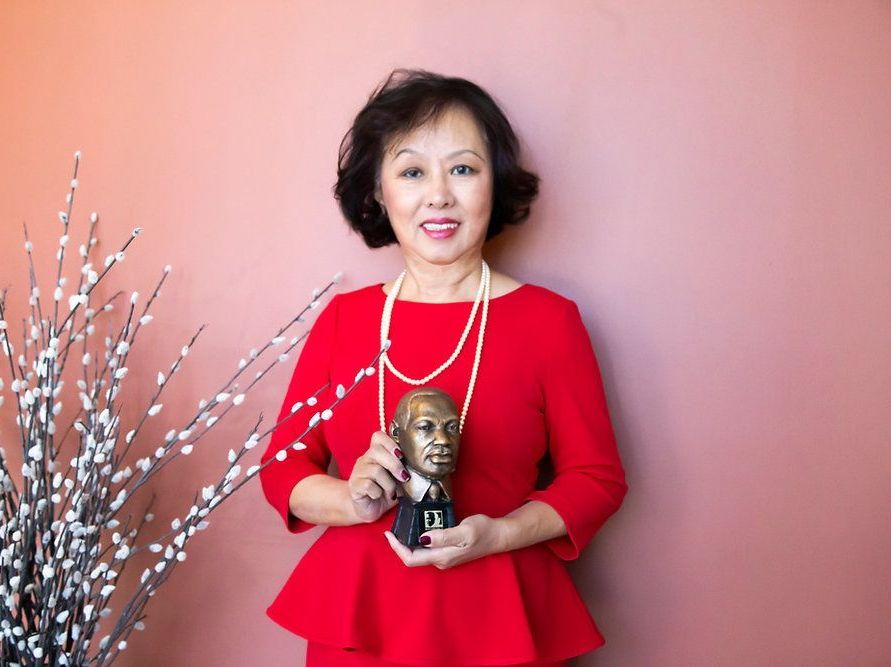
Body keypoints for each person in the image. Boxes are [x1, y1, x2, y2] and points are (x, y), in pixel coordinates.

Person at [259, 69, 628, 667]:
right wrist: (352, 501)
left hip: (502, 617)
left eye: (462, 168)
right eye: (411, 172)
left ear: (494, 183)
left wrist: (500, 534)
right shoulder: (344, 321)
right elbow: (284, 470)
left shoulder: (549, 321)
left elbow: (596, 479)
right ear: (379, 192)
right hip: (361, 621)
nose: (439, 195)